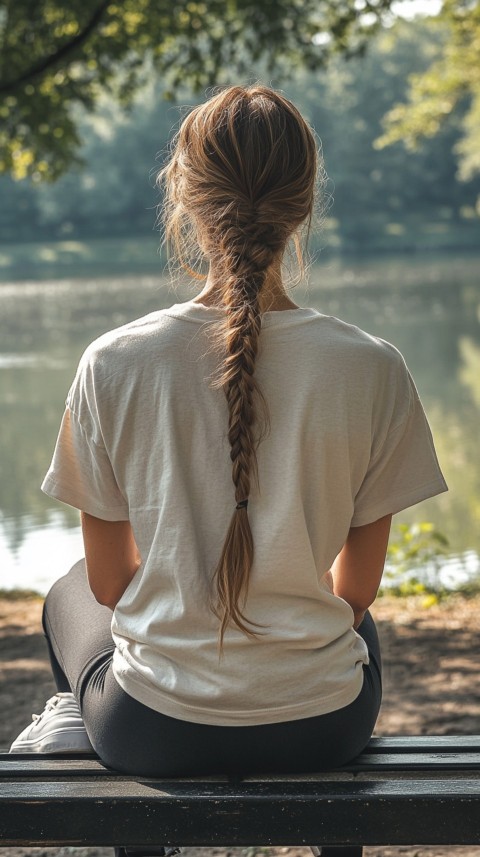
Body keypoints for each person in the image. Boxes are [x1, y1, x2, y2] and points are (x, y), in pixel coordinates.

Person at [10, 85, 447, 782]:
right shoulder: (373, 366)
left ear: (183, 197)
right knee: (354, 629)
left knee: (66, 588)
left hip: (151, 728)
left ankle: (78, 727)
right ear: (305, 202)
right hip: (323, 728)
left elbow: (109, 581)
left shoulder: (113, 361)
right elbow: (356, 591)